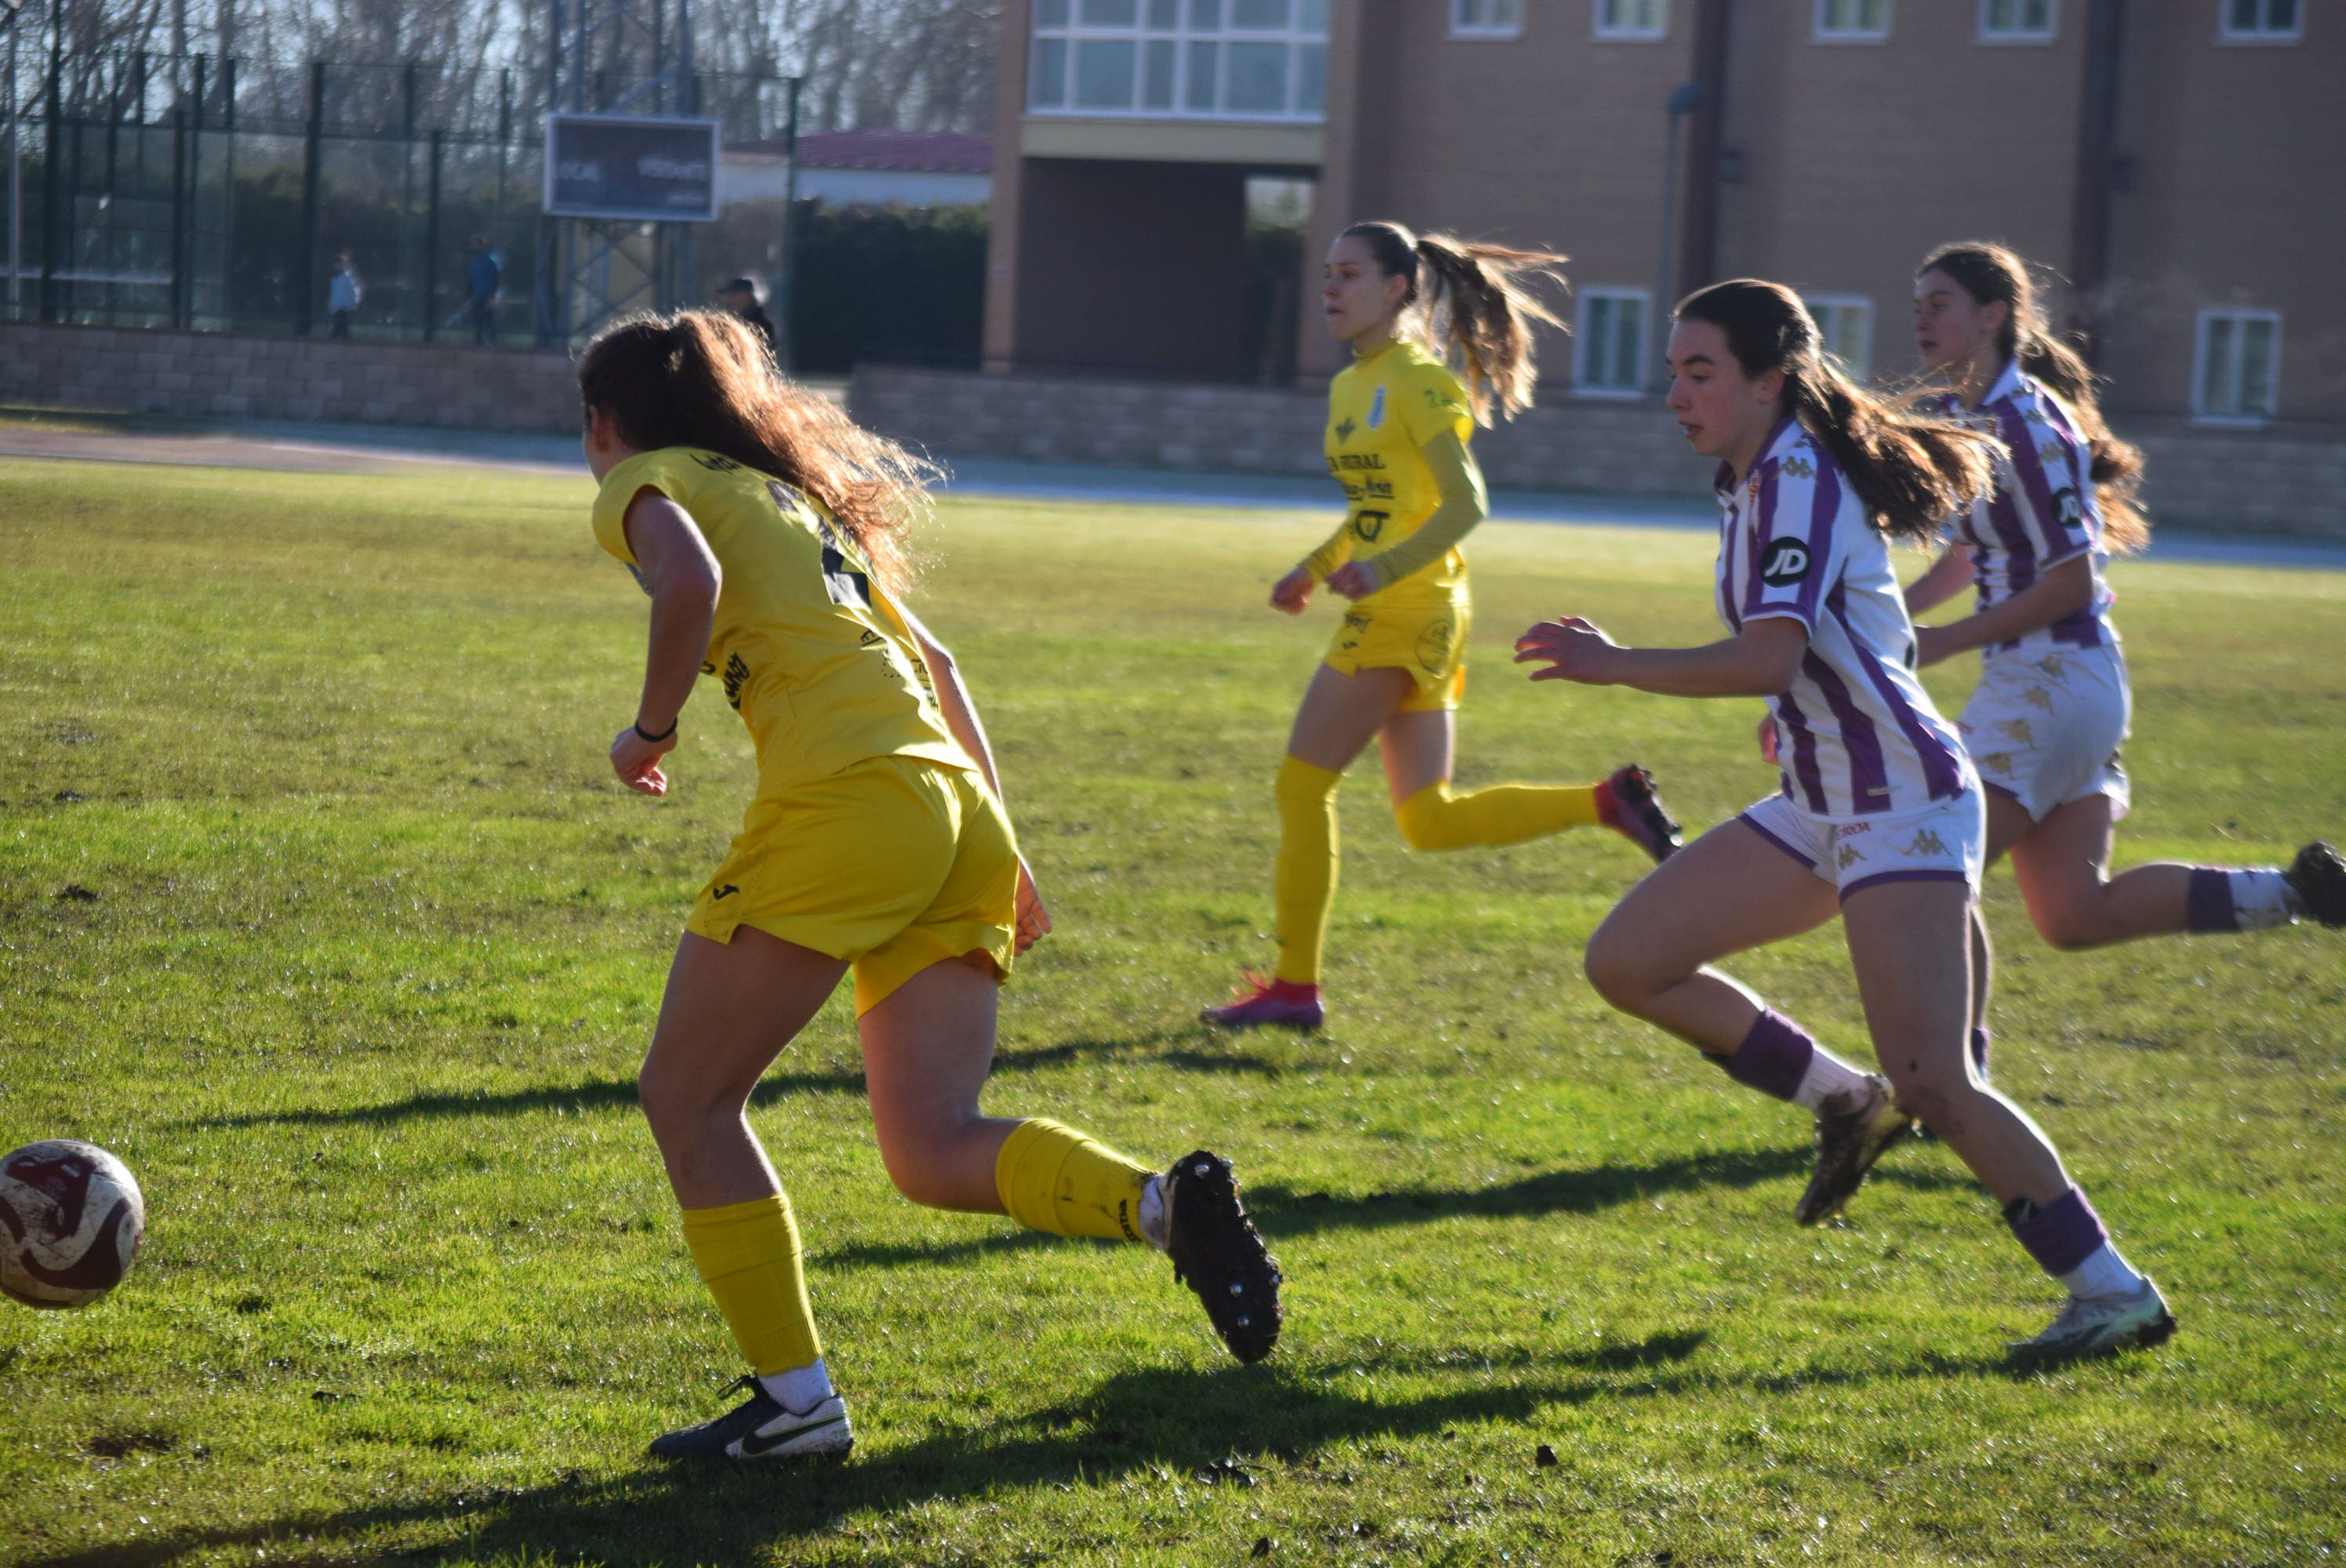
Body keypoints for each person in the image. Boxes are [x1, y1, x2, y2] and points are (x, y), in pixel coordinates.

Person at [576, 310, 1284, 1463]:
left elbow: (687, 584)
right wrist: (1008, 851)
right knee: (929, 1143)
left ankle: (795, 1402)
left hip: (849, 807)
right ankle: (1160, 1205)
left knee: (685, 1097)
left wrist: (648, 733)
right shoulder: (792, 505)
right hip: (953, 811)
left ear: (603, 424)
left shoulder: (640, 483)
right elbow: (939, 667)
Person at [1516, 279, 2174, 1357]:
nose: (1675, 393)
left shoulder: (1795, 484)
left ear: (1770, 380)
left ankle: (2112, 1290)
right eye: (1672, 371)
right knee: (1629, 961)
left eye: (1700, 372)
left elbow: (1771, 656)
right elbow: (1851, 647)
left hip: (1901, 806)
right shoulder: (1751, 480)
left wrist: (1612, 664)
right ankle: (1842, 1101)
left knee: (1941, 1085)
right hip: (1824, 799)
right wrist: (1811, 712)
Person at [1200, 220, 1683, 1032]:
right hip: (1420, 608)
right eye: (1326, 273)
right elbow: (1379, 511)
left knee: (1300, 784)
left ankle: (1292, 986)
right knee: (1427, 818)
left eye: (1348, 274)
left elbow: (1466, 503)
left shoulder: (1417, 380)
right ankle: (1607, 801)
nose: (1329, 288)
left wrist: (1381, 571)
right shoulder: (1352, 383)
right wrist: (1314, 568)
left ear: (1396, 289)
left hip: (1407, 607)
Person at [1900, 241, 2343, 1080]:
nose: (1920, 318)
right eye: (1917, 302)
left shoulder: (2025, 422)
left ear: (1993, 315)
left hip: (2052, 682)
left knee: (1924, 863)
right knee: (2071, 913)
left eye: (1939, 302)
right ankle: (2301, 890)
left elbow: (2068, 581)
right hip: (2065, 684)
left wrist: (1950, 638)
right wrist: (1900, 619)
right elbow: (1975, 556)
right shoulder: (1968, 415)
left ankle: (1956, 1081)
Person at [717, 274, 781, 363]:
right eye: (729, 295)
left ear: (747, 295)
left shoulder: (762, 325)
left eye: (734, 294)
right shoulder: (731, 321)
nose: (730, 299)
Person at [467, 237, 502, 347]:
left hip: (486, 295)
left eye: (476, 245)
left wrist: (492, 296)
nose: (474, 247)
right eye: (473, 245)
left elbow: (495, 280)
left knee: (487, 319)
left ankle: (492, 340)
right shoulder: (474, 263)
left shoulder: (489, 263)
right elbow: (471, 281)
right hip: (478, 296)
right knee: (478, 319)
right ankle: (479, 340)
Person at [327, 254, 360, 340]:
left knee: (340, 325)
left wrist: (352, 304)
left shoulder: (346, 278)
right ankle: (343, 340)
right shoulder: (335, 279)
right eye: (336, 264)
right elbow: (334, 293)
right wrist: (332, 305)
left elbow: (351, 292)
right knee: (342, 327)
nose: (337, 266)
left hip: (343, 307)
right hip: (338, 307)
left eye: (339, 264)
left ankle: (334, 339)